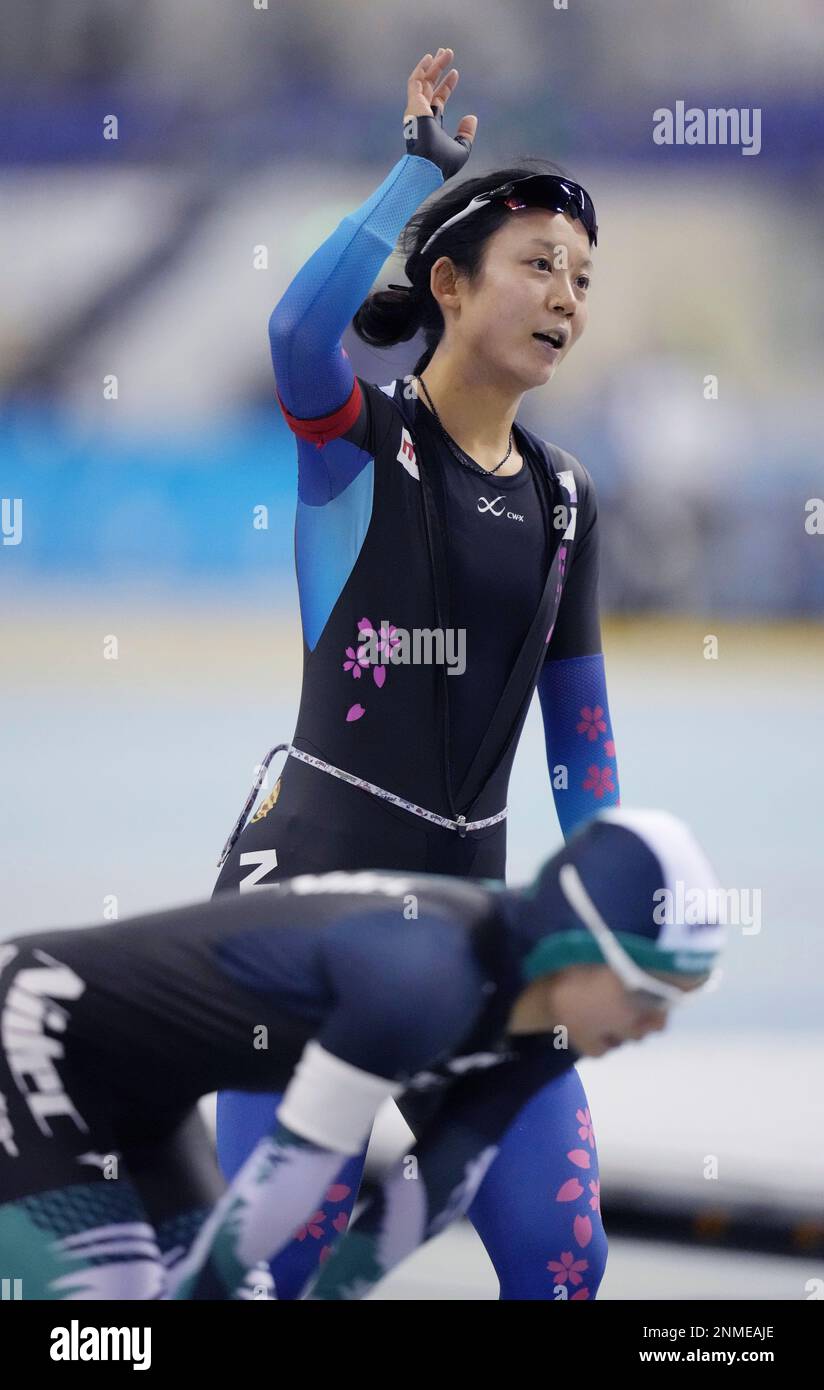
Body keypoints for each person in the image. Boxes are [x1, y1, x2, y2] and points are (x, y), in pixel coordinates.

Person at [213, 45, 621, 1299]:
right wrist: (408, 176)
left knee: (561, 1261)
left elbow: (578, 738)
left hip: (477, 938)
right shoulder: (358, 445)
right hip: (307, 923)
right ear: (447, 283)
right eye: (537, 265)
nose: (565, 295)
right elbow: (295, 330)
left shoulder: (564, 499)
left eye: (582, 277)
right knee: (284, 1275)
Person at [0, 809, 723, 1300]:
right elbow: (294, 1177)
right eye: (647, 994)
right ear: (577, 954)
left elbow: (427, 1191)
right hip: (39, 1031)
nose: (656, 1025)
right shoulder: (422, 977)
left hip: (143, 1095)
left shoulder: (543, 1029)